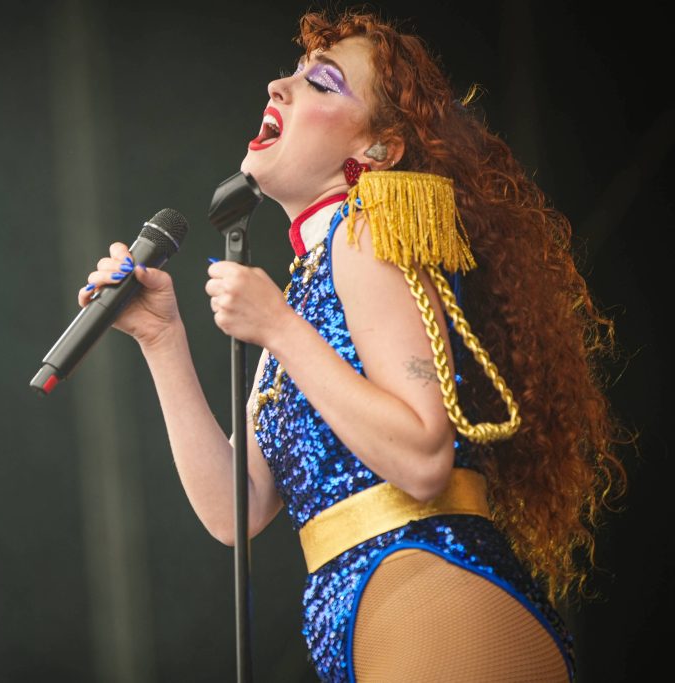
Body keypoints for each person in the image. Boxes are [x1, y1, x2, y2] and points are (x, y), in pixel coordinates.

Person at [77, 8, 624, 682]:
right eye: (292, 73)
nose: (278, 86)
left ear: (378, 151)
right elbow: (235, 508)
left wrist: (279, 327)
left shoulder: (366, 235)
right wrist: (162, 338)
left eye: (321, 83)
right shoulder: (305, 289)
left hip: (434, 596)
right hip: (381, 609)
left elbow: (423, 458)